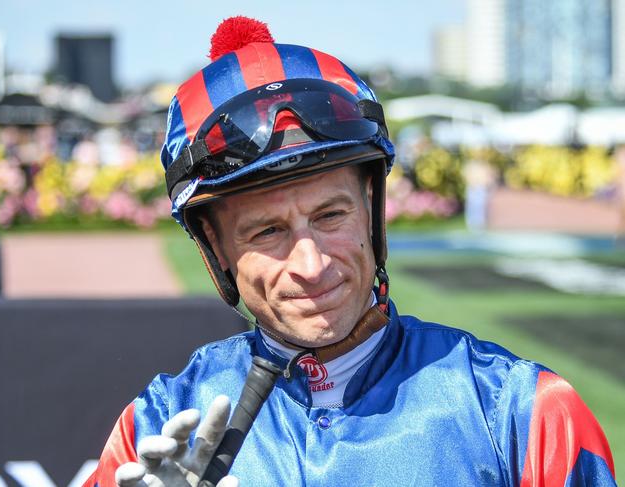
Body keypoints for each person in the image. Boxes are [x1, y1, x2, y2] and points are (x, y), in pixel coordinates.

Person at [84, 17, 616, 487]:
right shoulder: (153, 429)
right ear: (216, 248)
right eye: (267, 231)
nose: (311, 266)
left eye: (330, 216)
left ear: (370, 207)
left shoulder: (527, 413)